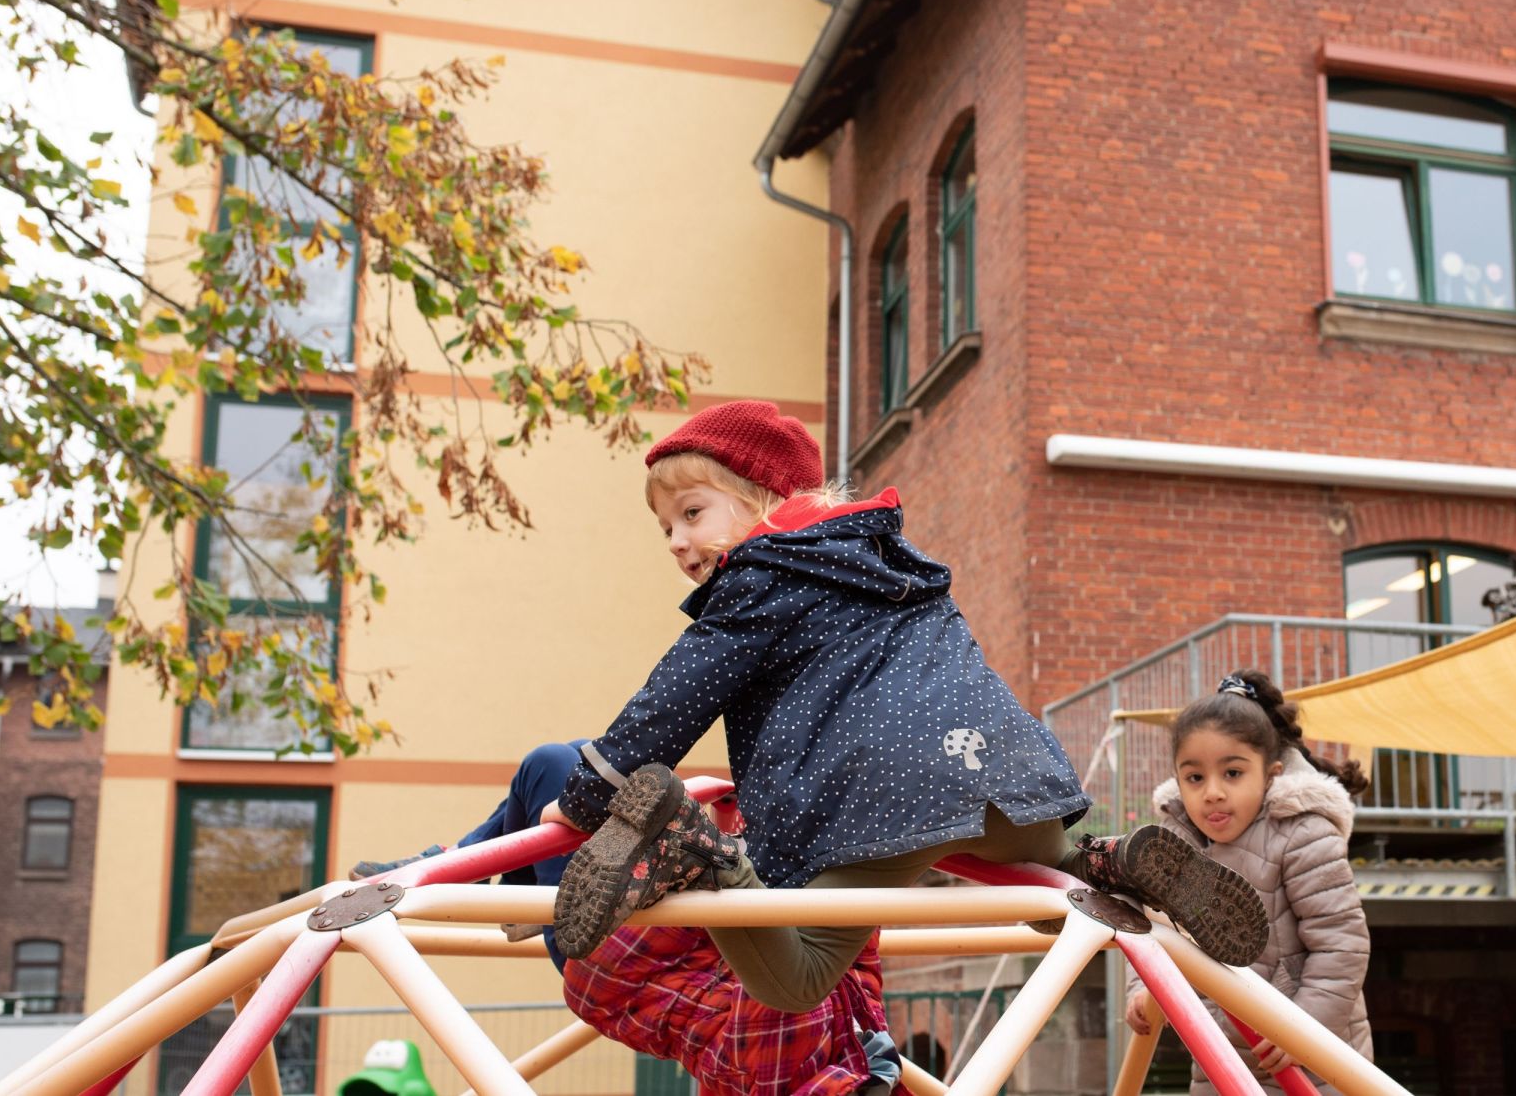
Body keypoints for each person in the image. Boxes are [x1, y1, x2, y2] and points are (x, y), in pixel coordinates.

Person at [538, 400, 1269, 1017]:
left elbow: (674, 698)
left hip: (885, 801)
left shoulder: (761, 576)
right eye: (665, 527)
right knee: (1054, 890)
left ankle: (697, 853)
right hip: (1009, 778)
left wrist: (588, 797)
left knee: (796, 978)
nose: (677, 540)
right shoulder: (893, 562)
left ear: (762, 497)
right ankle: (1109, 860)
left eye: (692, 513)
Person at [349, 739, 902, 1094]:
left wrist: (710, 850)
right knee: (586, 765)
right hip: (649, 926)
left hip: (611, 953)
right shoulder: (861, 1038)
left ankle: (465, 868)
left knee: (556, 768)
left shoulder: (775, 1064)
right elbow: (854, 929)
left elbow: (748, 932)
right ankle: (488, 876)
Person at [1125, 670, 1374, 1095]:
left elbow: (1342, 945)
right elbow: (1148, 927)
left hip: (1314, 1059)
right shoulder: (1173, 846)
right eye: (1195, 778)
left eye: (1233, 774)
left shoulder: (1302, 834)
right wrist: (1139, 987)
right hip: (1219, 1058)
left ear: (1270, 774)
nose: (1213, 793)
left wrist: (1302, 1032)